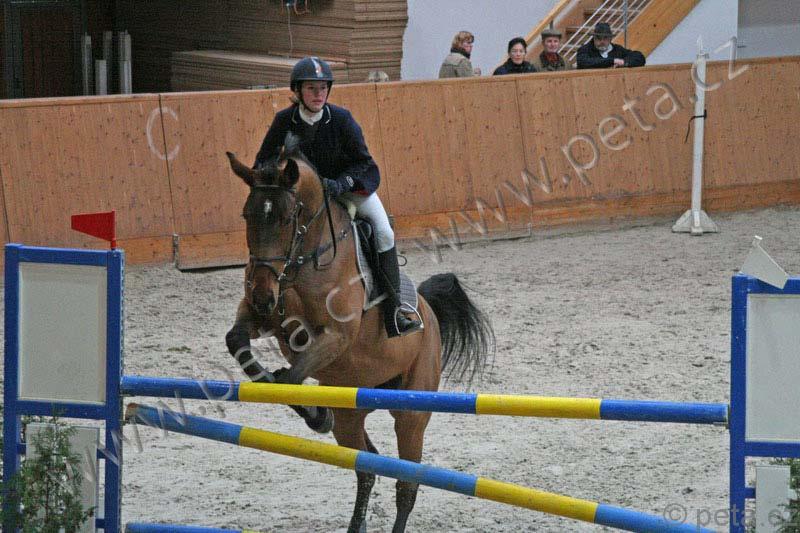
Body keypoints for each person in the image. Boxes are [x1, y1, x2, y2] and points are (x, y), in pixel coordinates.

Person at [253, 57, 423, 338]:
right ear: (298, 91)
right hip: (303, 199)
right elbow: (263, 161)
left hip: (347, 190)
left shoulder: (341, 119)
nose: (318, 94)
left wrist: (341, 183)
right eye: (311, 88)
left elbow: (364, 163)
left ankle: (394, 310)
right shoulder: (284, 121)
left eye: (323, 88)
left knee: (384, 232)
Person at [576, 22, 646, 69]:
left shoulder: (618, 49)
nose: (602, 41)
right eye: (599, 38)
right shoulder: (585, 49)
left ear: (610, 38)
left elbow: (640, 57)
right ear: (594, 38)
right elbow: (584, 62)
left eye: (605, 38)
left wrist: (624, 62)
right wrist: (613, 61)